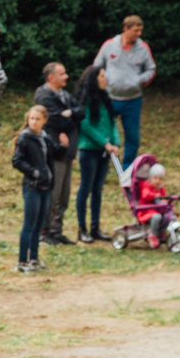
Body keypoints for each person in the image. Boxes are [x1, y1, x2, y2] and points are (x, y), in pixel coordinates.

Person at [94, 15, 155, 170]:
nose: (139, 34)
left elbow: (151, 69)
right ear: (125, 29)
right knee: (105, 133)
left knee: (132, 137)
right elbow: (97, 66)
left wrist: (139, 80)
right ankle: (103, 166)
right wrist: (102, 82)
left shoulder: (143, 48)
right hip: (110, 98)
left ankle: (128, 168)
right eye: (136, 30)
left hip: (132, 100)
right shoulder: (109, 45)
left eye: (140, 30)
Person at [73, 63, 122, 244]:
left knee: (98, 190)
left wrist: (115, 143)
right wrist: (105, 143)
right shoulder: (86, 100)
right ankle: (82, 228)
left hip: (105, 152)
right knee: (85, 188)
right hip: (89, 151)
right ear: (94, 79)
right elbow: (85, 125)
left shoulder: (105, 98)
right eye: (102, 76)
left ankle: (95, 227)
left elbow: (113, 122)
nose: (105, 78)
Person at [34, 62, 78, 247]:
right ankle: (45, 231)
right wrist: (69, 117)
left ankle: (57, 230)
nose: (66, 76)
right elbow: (57, 120)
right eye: (62, 73)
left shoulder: (65, 95)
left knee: (64, 195)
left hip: (68, 150)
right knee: (53, 193)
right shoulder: (43, 95)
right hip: (54, 151)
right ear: (51, 77)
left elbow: (81, 111)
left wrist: (71, 114)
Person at [12, 103, 53, 273]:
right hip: (32, 186)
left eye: (37, 119)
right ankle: (22, 261)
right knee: (29, 223)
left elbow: (53, 156)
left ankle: (34, 258)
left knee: (38, 224)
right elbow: (17, 161)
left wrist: (64, 147)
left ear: (44, 120)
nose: (34, 122)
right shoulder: (24, 138)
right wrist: (34, 173)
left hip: (45, 186)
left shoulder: (44, 137)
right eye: (31, 119)